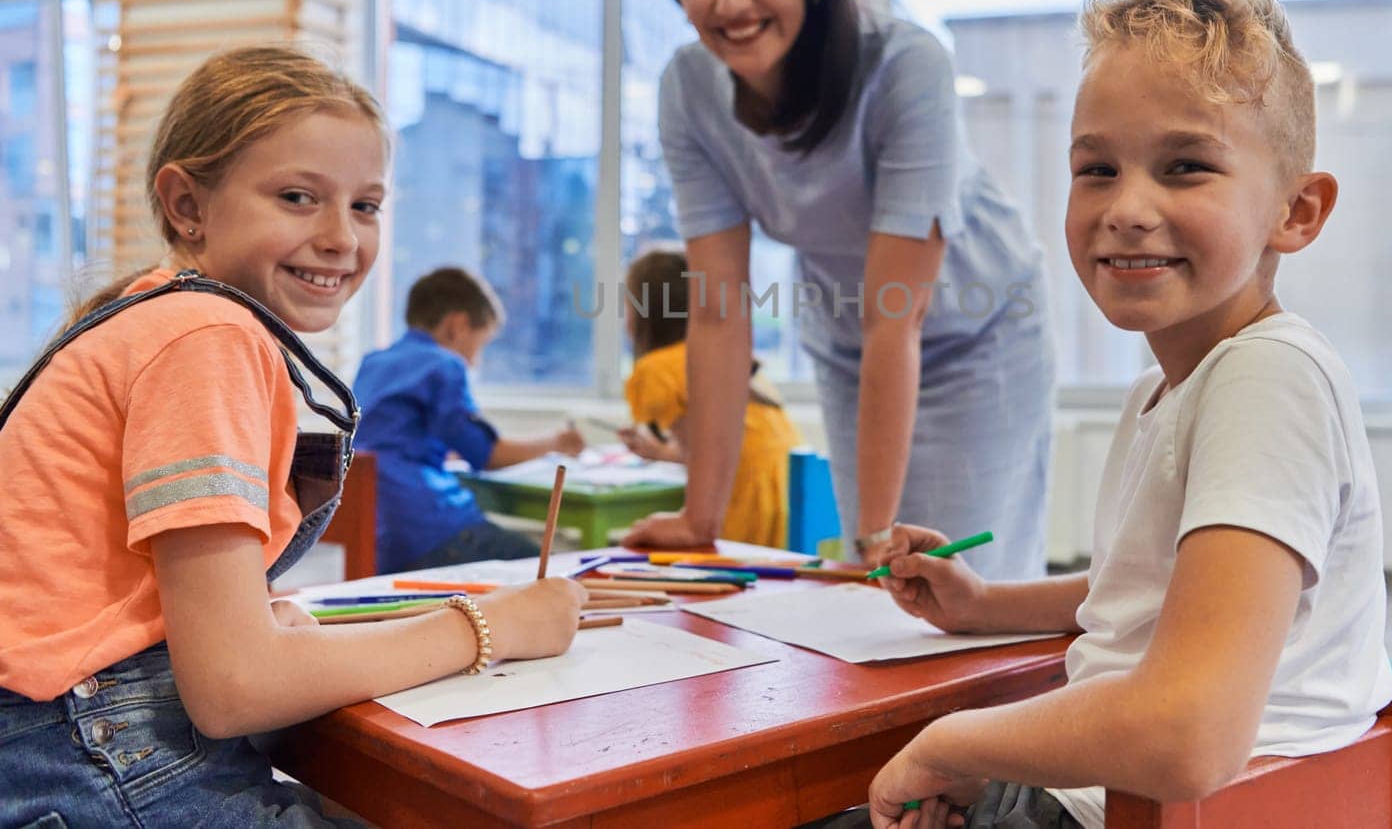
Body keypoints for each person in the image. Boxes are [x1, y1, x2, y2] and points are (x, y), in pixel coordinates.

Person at [840, 0, 1392, 829]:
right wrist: (984, 603)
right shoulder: (1172, 386)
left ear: (1297, 210)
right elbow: (1152, 590)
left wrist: (954, 742)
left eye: (1185, 167)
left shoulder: (1267, 379)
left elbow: (1189, 735)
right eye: (1096, 168)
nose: (1127, 209)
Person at [0, 47, 586, 828]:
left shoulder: (162, 314)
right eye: (299, 196)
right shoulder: (204, 332)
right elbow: (235, 685)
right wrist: (489, 627)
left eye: (366, 206)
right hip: (86, 752)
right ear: (187, 205)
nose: (342, 237)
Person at [623, 0, 1053, 578]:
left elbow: (899, 311)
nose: (730, 1)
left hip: (978, 329)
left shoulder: (904, 66)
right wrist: (702, 517)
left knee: (956, 580)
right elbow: (720, 310)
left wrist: (875, 538)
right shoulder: (689, 89)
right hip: (853, 337)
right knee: (880, 583)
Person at [352, 266, 587, 573]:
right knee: (557, 571)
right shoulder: (444, 364)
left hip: (376, 531)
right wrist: (557, 442)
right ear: (457, 326)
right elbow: (488, 455)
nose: (475, 360)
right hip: (428, 528)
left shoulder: (374, 362)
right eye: (481, 344)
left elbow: (392, 434)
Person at [618, 247, 800, 547]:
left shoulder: (655, 370)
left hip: (742, 492)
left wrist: (660, 452)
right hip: (788, 487)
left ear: (643, 313)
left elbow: (701, 451)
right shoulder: (725, 356)